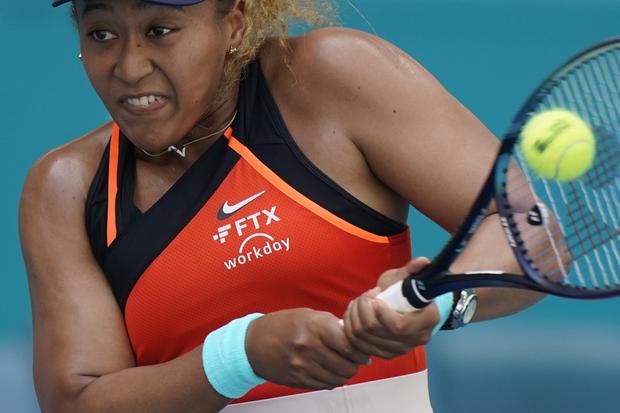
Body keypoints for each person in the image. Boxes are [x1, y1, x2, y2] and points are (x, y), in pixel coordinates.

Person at [19, 0, 543, 412]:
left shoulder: (332, 78)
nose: (129, 67)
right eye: (101, 33)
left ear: (236, 23)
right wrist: (239, 356)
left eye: (161, 30)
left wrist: (443, 300)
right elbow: (78, 402)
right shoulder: (66, 186)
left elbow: (532, 231)